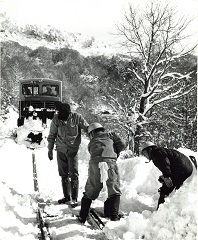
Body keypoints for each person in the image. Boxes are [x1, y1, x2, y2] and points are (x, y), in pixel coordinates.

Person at [77, 122, 126, 223]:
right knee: (113, 187)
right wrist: (115, 152)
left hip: (95, 163)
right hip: (110, 162)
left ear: (91, 133)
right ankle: (114, 216)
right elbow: (122, 144)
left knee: (92, 187)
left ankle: (82, 216)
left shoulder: (92, 141)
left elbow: (91, 151)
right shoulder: (111, 136)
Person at [47, 102, 89, 207]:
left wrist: (98, 136)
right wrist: (50, 149)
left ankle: (74, 198)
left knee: (74, 174)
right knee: (63, 175)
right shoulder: (56, 119)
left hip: (72, 151)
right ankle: (66, 196)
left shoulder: (77, 117)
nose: (63, 120)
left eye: (64, 117)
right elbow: (52, 135)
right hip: (61, 150)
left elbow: (88, 128)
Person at [141, 141, 193, 209]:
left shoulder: (157, 152)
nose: (145, 155)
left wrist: (167, 176)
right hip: (184, 169)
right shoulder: (159, 151)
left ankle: (160, 211)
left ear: (149, 149)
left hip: (181, 170)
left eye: (145, 153)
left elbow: (165, 163)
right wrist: (165, 176)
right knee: (166, 183)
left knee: (165, 189)